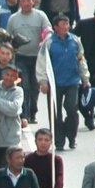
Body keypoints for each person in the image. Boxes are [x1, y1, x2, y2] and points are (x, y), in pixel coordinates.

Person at [36, 15, 89, 151]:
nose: (66, 27)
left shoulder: (75, 40)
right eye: (62, 24)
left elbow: (81, 59)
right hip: (54, 84)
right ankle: (59, 141)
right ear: (55, 27)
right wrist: (43, 81)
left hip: (72, 81)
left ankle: (71, 137)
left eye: (67, 24)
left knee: (72, 109)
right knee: (55, 113)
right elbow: (41, 62)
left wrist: (85, 78)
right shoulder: (49, 42)